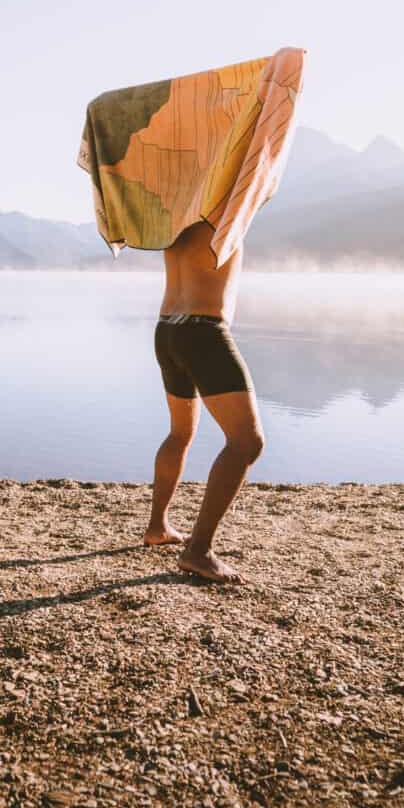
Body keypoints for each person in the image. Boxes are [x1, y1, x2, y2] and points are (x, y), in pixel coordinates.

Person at [143, 220, 264, 583]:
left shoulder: (175, 216)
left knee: (180, 431)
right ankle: (198, 550)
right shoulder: (223, 209)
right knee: (246, 442)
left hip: (167, 329)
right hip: (202, 332)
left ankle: (157, 527)